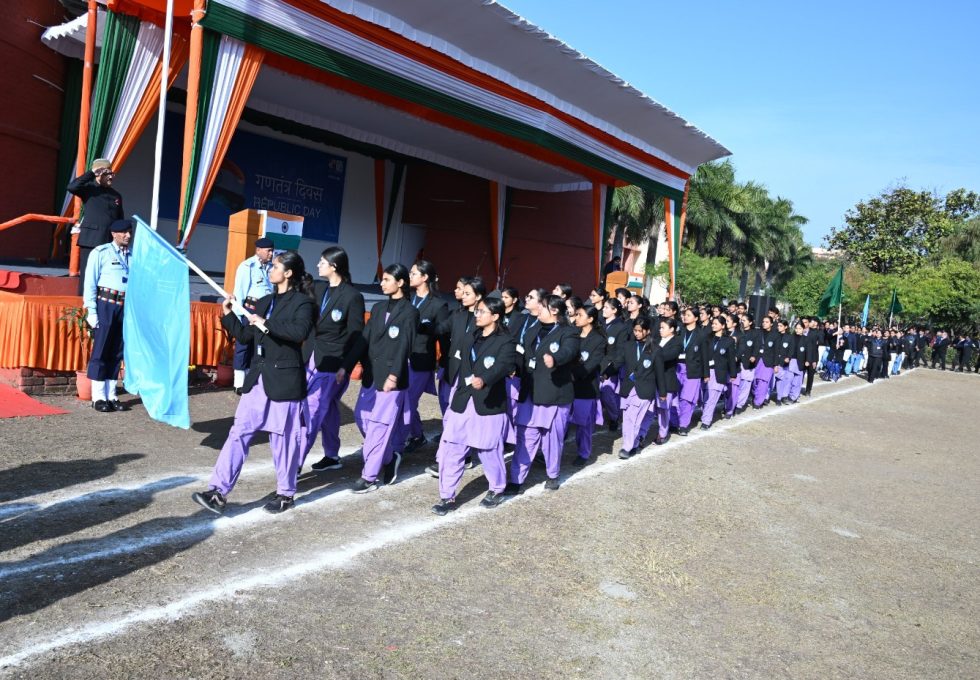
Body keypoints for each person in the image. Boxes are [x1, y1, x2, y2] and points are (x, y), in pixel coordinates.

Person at [192, 251, 316, 514]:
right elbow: (246, 336)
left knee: (283, 441)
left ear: (288, 273)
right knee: (239, 433)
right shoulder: (265, 301)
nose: (271, 270)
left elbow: (299, 333)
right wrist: (228, 314)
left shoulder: (302, 303)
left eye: (276, 267)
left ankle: (285, 494)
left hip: (284, 382)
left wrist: (266, 323)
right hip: (258, 379)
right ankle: (217, 492)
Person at [431, 297, 517, 515]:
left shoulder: (506, 341)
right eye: (477, 311)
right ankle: (446, 496)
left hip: (487, 402)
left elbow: (505, 364)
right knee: (452, 447)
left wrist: (485, 379)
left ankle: (497, 488)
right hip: (463, 399)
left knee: (488, 450)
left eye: (482, 312)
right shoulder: (471, 335)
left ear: (495, 316)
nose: (477, 315)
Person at [350, 263, 418, 492]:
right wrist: (346, 366)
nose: (382, 283)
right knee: (361, 416)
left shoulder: (410, 312)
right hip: (372, 375)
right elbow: (364, 339)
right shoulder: (378, 308)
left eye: (387, 279)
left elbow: (404, 346)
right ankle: (389, 456)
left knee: (379, 426)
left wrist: (394, 375)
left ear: (400, 282)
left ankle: (369, 477)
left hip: (391, 379)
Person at [506, 294, 580, 493]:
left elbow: (569, 351)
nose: (537, 309)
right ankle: (516, 479)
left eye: (542, 306)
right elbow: (522, 354)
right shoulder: (533, 329)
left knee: (552, 439)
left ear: (554, 310)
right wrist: (512, 367)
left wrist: (555, 359)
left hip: (554, 394)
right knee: (525, 437)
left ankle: (552, 474)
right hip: (530, 391)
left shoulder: (569, 332)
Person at [301, 246, 365, 473]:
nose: (318, 265)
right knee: (327, 410)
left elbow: (356, 337)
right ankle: (332, 455)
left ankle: (294, 462)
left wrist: (346, 367)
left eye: (322, 262)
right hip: (311, 357)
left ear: (334, 266)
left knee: (312, 409)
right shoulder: (319, 289)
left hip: (333, 364)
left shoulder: (352, 296)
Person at [82, 218, 133, 412]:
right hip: (106, 305)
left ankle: (111, 395)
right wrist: (91, 310)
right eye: (124, 232)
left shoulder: (133, 256)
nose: (128, 235)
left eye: (129, 232)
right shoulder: (101, 252)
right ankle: (98, 397)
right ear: (113, 233)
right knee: (101, 350)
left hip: (125, 307)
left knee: (117, 351)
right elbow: (90, 283)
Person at [404, 260, 450, 454]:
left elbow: (443, 336)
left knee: (408, 400)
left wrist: (446, 363)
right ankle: (417, 435)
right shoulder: (407, 299)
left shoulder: (438, 305)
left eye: (413, 273)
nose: (410, 276)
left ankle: (400, 439)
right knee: (402, 399)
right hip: (401, 359)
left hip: (421, 361)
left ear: (425, 277)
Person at [68, 158, 124, 294]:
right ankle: (84, 302)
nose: (111, 177)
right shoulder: (89, 189)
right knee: (88, 274)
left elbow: (120, 219)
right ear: (99, 174)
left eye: (112, 173)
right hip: (91, 240)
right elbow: (72, 187)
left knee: (106, 274)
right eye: (107, 173)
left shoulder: (116, 195)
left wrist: (121, 240)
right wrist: (92, 173)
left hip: (109, 242)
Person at [231, 238, 275, 392]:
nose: (271, 254)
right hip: (250, 310)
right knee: (243, 345)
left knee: (258, 345)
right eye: (268, 251)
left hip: (265, 311)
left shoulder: (272, 267)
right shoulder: (247, 266)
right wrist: (238, 315)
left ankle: (251, 378)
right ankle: (239, 382)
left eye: (272, 250)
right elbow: (239, 292)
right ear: (258, 250)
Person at [617, 316, 664, 456]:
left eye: (639, 330)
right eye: (635, 330)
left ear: (647, 331)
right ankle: (634, 444)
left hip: (644, 389)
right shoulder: (628, 346)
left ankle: (627, 447)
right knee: (628, 419)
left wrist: (662, 392)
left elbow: (659, 373)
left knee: (633, 419)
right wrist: (605, 373)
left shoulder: (656, 349)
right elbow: (618, 362)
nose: (636, 333)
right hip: (628, 387)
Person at [568, 300, 606, 466]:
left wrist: (571, 373)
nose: (576, 318)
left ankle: (583, 453)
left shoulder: (598, 340)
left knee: (583, 425)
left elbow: (591, 364)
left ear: (590, 319)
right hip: (567, 386)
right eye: (576, 314)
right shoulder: (572, 334)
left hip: (585, 387)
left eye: (580, 315)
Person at [672, 307, 707, 434]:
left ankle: (683, 425)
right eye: (684, 315)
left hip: (693, 370)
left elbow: (704, 355)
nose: (685, 317)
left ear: (696, 318)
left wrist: (706, 374)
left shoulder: (701, 334)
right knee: (674, 397)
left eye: (688, 315)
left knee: (687, 398)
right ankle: (673, 422)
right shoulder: (679, 331)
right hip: (677, 368)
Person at [699, 314, 737, 429]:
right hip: (705, 371)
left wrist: (733, 374)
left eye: (716, 324)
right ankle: (705, 414)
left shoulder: (729, 341)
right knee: (703, 397)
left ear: (723, 326)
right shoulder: (707, 338)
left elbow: (731, 358)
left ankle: (706, 421)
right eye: (713, 324)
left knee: (712, 398)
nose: (713, 326)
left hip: (718, 373)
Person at [598, 298, 629, 431]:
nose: (603, 310)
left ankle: (614, 417)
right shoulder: (599, 324)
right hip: (597, 363)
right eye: (604, 307)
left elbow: (620, 351)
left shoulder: (621, 327)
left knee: (607, 393)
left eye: (606, 307)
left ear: (614, 310)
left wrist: (611, 368)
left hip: (610, 366)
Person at [733, 313, 760, 413]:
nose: (742, 322)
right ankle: (732, 403)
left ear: (750, 322)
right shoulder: (738, 332)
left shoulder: (755, 333)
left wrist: (754, 356)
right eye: (741, 320)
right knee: (735, 384)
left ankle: (739, 405)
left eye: (744, 320)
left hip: (748, 362)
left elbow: (757, 347)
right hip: (737, 362)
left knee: (745, 384)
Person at [753, 316, 781, 409]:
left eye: (767, 322)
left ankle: (758, 402)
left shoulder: (775, 335)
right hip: (757, 360)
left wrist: (776, 365)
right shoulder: (758, 333)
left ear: (771, 324)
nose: (764, 323)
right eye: (763, 322)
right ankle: (757, 396)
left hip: (768, 362)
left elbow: (777, 351)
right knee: (756, 381)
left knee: (763, 382)